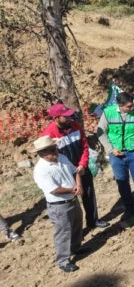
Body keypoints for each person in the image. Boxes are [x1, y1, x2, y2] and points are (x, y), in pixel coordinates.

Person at [41, 103, 105, 229]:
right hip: (65, 173)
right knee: (71, 200)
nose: (69, 118)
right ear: (56, 118)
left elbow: (85, 146)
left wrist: (82, 164)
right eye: (65, 116)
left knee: (88, 194)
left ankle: (93, 221)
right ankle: (75, 231)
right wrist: (71, 170)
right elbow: (50, 158)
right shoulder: (48, 135)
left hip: (81, 168)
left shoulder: (75, 126)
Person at [97, 91, 134, 224]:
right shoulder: (108, 113)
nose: (132, 108)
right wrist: (110, 149)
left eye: (132, 104)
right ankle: (129, 208)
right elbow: (100, 132)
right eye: (128, 106)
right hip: (116, 155)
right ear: (120, 105)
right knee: (122, 183)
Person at [31, 135, 83, 272]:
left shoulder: (62, 157)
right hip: (59, 205)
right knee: (63, 233)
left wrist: (78, 185)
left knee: (77, 224)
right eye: (52, 150)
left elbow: (75, 171)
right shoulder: (40, 170)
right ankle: (63, 261)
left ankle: (76, 248)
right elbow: (54, 189)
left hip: (73, 199)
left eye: (55, 148)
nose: (56, 151)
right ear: (42, 154)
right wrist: (72, 190)